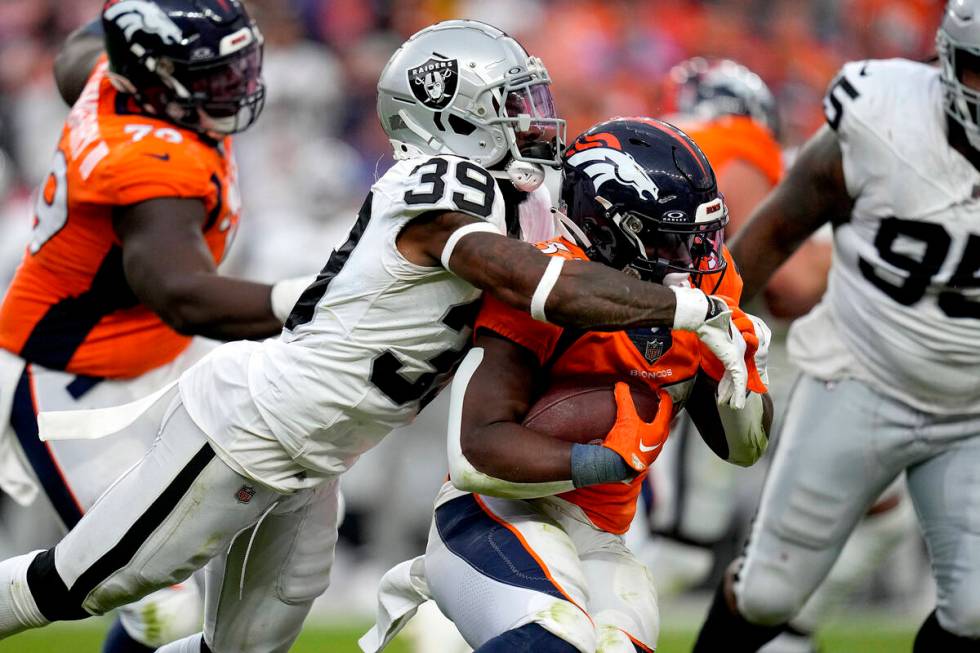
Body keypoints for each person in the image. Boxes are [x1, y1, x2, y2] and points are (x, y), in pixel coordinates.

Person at [0, 20, 751, 653]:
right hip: (251, 426)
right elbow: (543, 284)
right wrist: (688, 310)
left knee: (243, 643)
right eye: (512, 103)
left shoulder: (509, 193)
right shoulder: (435, 188)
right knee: (81, 583)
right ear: (450, 117)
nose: (534, 116)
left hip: (321, 453)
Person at [360, 117, 772, 653]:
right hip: (492, 514)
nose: (691, 260)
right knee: (556, 641)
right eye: (670, 240)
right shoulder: (545, 281)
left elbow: (744, 450)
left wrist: (739, 382)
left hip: (604, 537)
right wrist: (606, 457)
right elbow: (476, 454)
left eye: (698, 238)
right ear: (610, 227)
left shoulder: (707, 279)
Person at [0, 2, 311, 651]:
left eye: (236, 67)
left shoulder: (110, 75)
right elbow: (184, 295)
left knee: (176, 564)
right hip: (69, 385)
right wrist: (317, 302)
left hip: (147, 362)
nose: (235, 86)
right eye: (214, 74)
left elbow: (82, 49)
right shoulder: (149, 169)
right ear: (155, 75)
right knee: (153, 599)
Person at [693, 3, 980, 651]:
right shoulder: (883, 120)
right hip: (860, 379)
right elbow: (774, 230)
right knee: (769, 590)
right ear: (946, 63)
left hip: (973, 409)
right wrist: (698, 334)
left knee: (975, 610)